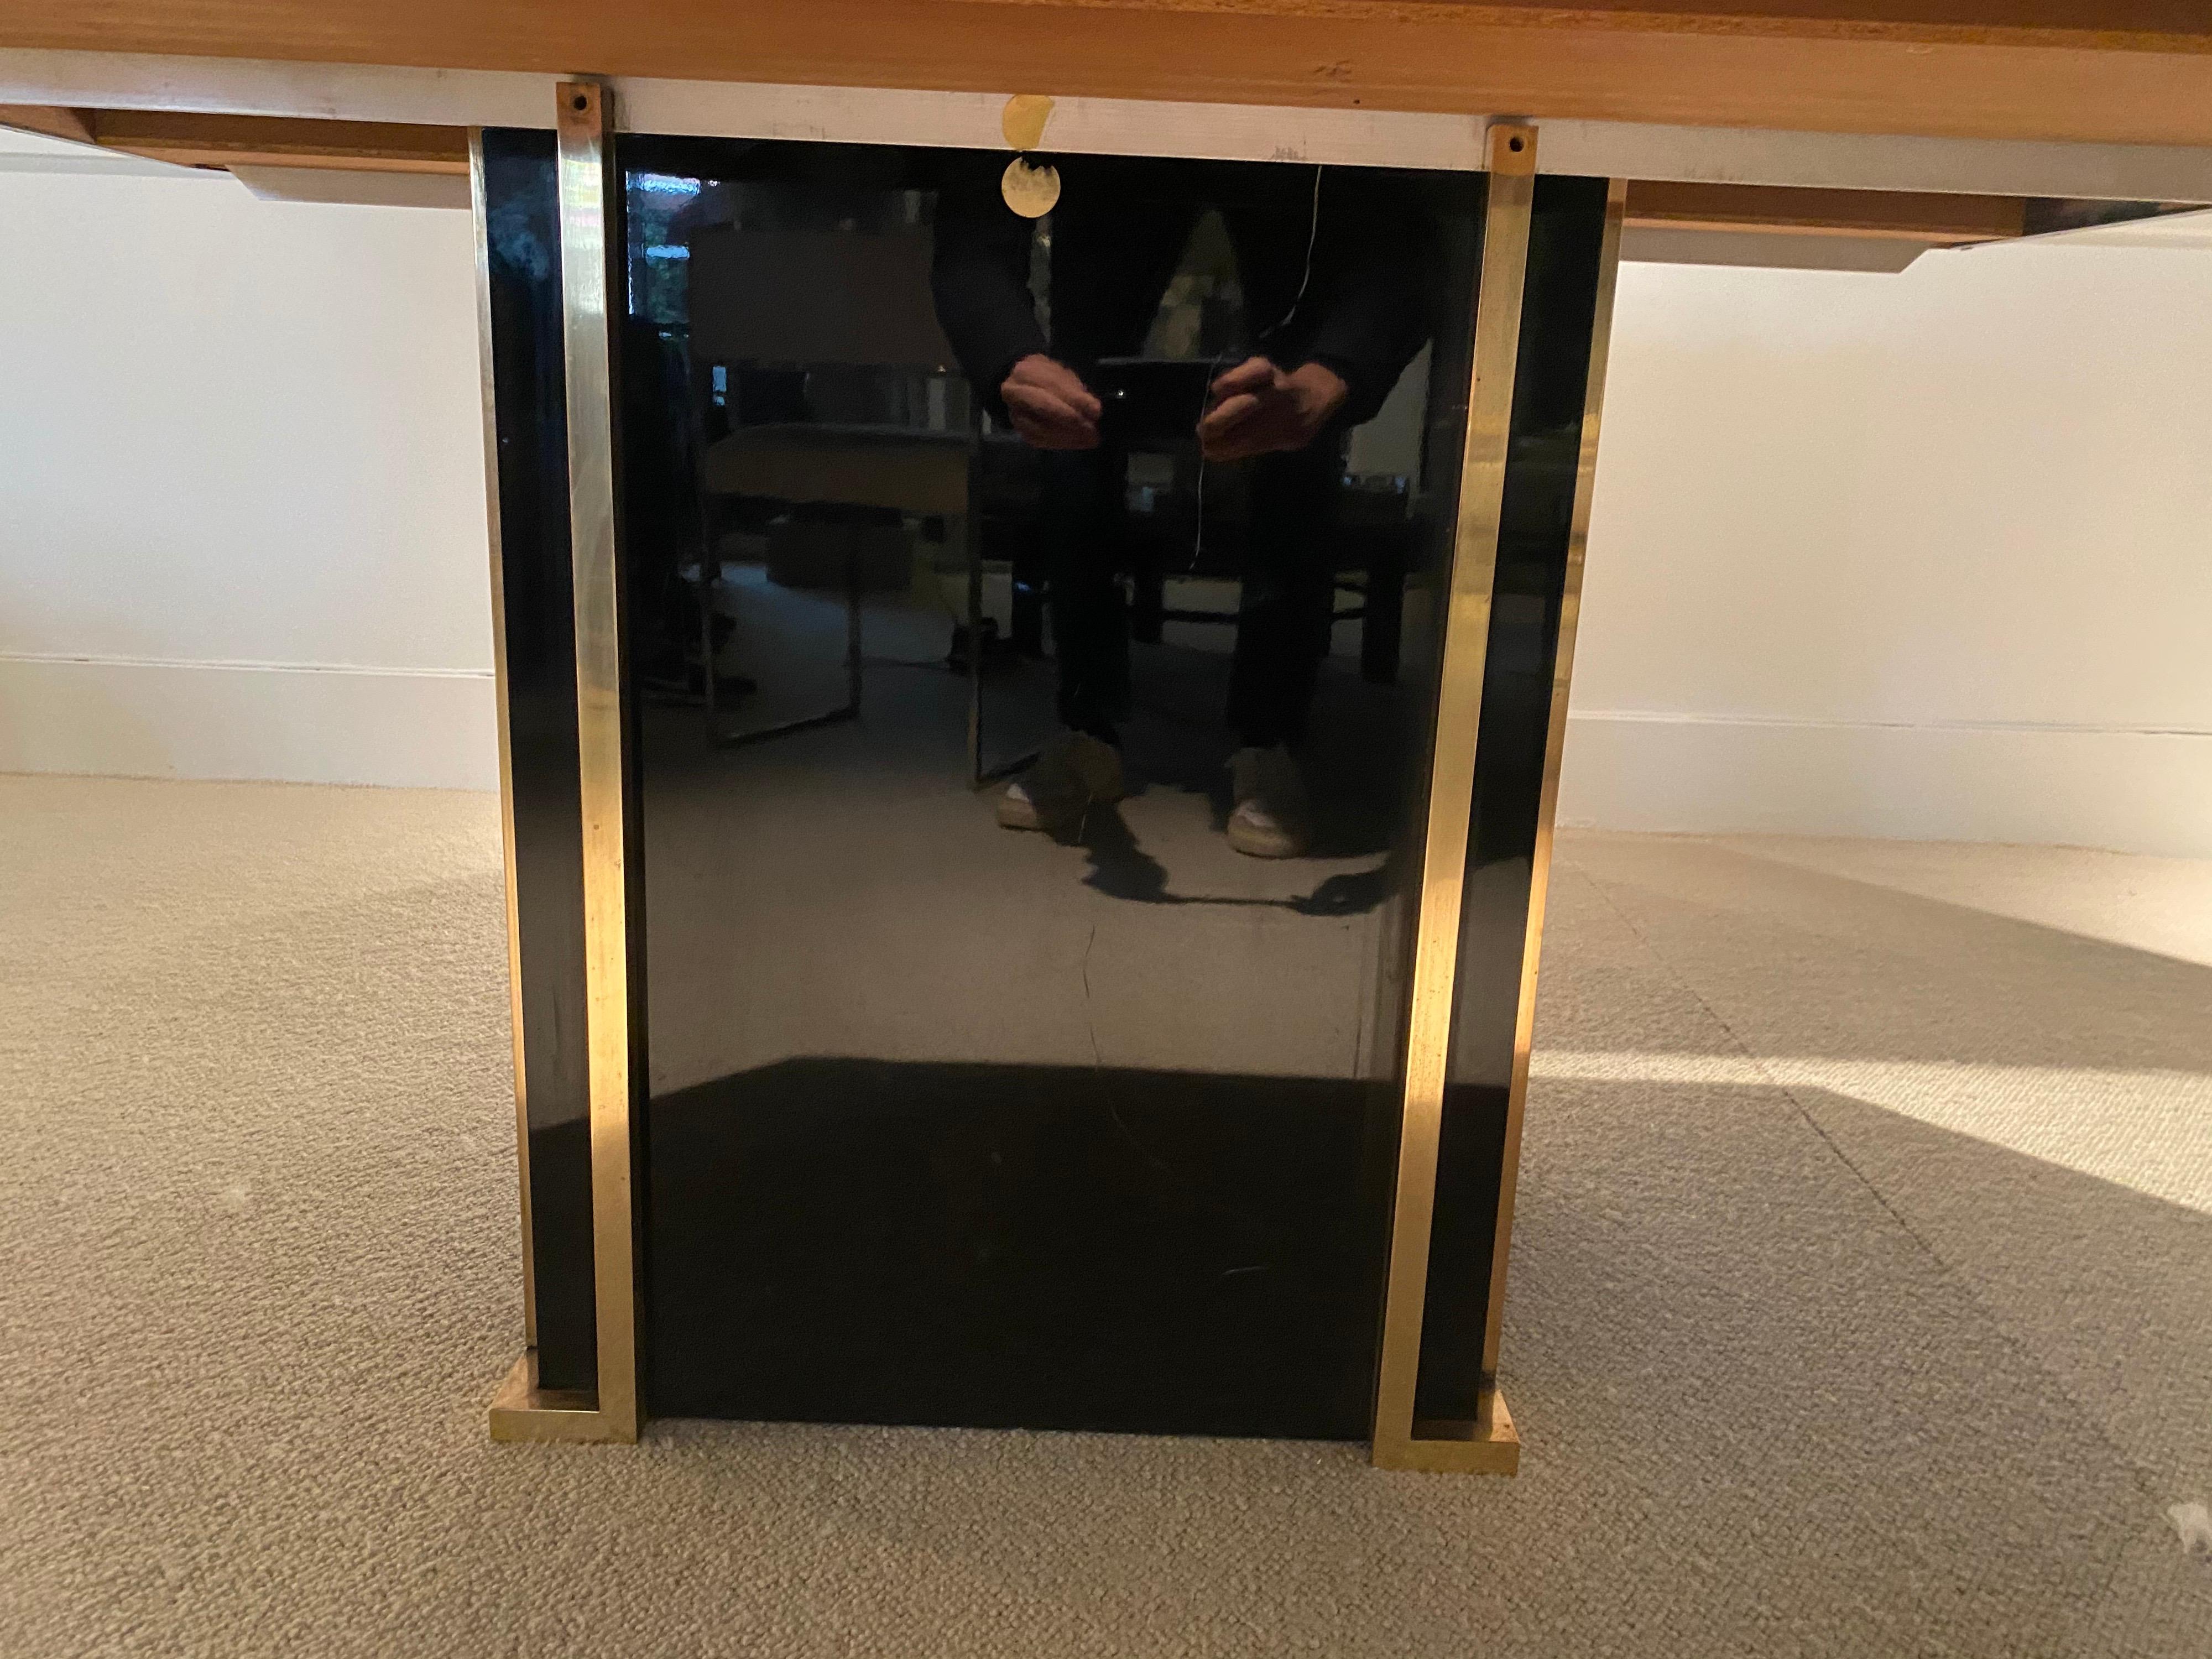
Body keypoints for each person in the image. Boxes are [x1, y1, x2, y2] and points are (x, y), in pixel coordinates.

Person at [931, 154, 1434, 856]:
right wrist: (1007, 354)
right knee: (1077, 437)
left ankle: (1270, 735)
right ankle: (1089, 730)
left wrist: (1337, 373)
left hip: (1289, 161)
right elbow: (972, 216)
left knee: (1290, 441)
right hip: (1115, 157)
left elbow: (1408, 227)